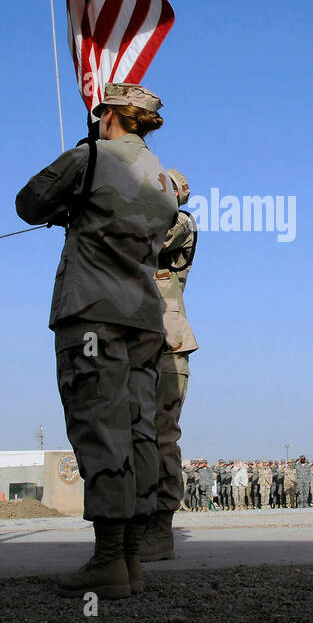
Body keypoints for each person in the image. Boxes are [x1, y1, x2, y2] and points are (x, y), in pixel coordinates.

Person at [16, 82, 178, 598]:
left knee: (99, 428)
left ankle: (109, 561)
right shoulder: (165, 180)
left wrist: (72, 199)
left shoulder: (87, 158)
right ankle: (130, 558)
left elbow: (28, 203)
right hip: (145, 321)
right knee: (138, 431)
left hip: (92, 315)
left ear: (107, 115)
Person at [138, 169, 198, 560]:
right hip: (130, 340)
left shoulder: (181, 223)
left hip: (166, 345)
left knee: (161, 436)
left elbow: (142, 241)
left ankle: (160, 527)